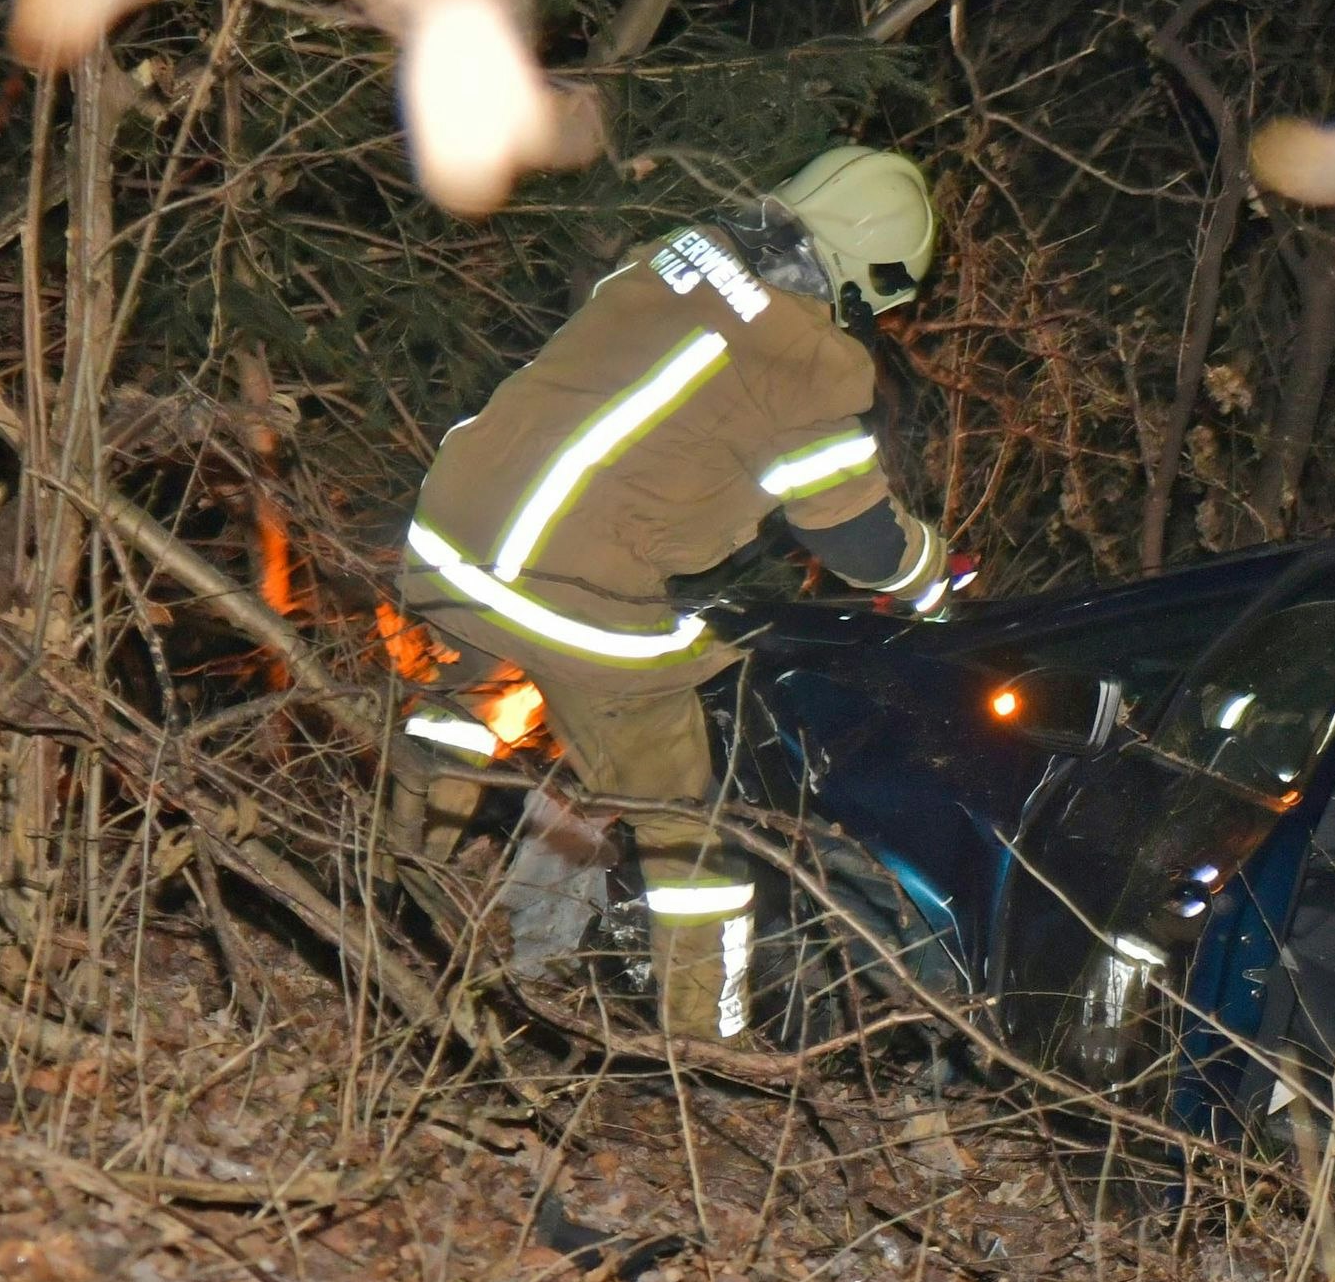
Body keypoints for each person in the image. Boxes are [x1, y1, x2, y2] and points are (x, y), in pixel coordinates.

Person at [388, 144, 957, 1043]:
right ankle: (706, 1048)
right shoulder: (811, 365)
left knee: (455, 721)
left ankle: (395, 907)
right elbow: (858, 540)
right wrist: (931, 576)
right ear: (868, 273)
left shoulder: (678, 256)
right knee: (687, 829)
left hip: (455, 531)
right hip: (573, 588)